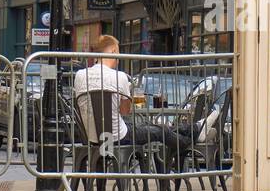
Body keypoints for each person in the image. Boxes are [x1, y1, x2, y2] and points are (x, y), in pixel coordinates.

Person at [71, 35, 194, 172]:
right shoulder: (119, 76)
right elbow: (125, 111)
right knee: (161, 130)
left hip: (91, 137)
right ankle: (189, 141)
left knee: (151, 127)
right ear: (112, 51)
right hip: (117, 136)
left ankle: (191, 130)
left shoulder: (80, 75)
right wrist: (127, 94)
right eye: (117, 52)